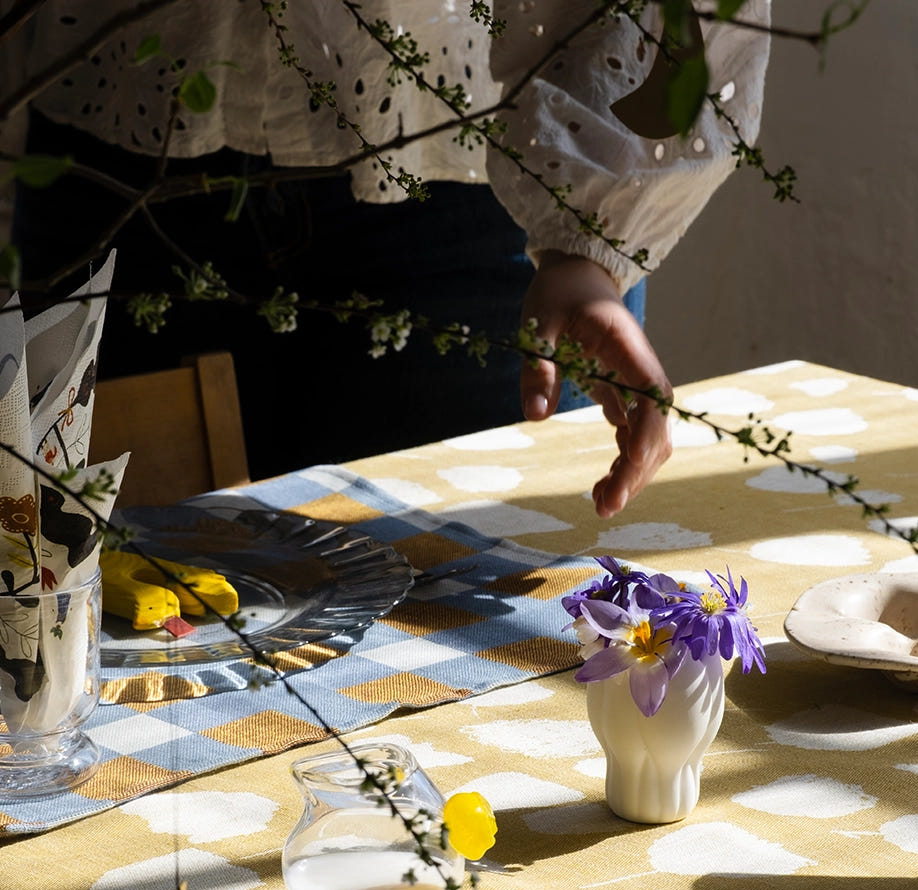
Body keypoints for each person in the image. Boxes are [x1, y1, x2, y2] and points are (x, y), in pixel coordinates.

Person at [8, 1, 769, 516]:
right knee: (75, 682)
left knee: (479, 679)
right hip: (113, 137)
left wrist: (587, 223)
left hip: (469, 169)